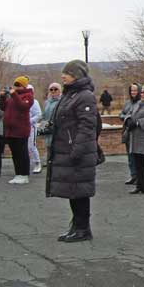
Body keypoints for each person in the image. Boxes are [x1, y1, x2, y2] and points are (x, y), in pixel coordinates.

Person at [46, 60, 98, 243]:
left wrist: (77, 149)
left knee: (80, 190)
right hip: (66, 149)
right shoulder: (69, 95)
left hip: (78, 152)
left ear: (76, 75)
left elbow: (87, 126)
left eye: (67, 73)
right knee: (73, 190)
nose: (63, 76)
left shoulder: (84, 96)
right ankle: (77, 226)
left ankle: (83, 228)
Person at [0, 76, 34, 185]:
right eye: (15, 84)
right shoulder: (12, 97)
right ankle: (18, 174)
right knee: (15, 154)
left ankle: (24, 174)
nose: (16, 87)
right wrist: (2, 97)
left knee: (22, 153)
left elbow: (23, 106)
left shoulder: (28, 95)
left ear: (24, 86)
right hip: (10, 130)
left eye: (18, 85)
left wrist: (14, 94)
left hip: (21, 130)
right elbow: (3, 107)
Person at [119, 83, 140, 185]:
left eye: (135, 90)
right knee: (130, 156)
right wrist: (126, 117)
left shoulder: (141, 103)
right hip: (127, 131)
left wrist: (132, 118)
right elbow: (121, 114)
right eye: (131, 90)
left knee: (137, 156)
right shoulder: (127, 103)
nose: (133, 92)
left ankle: (139, 176)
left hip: (137, 132)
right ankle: (133, 175)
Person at [40, 83, 62, 167]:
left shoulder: (61, 101)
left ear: (60, 91)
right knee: (48, 145)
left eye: (55, 89)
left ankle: (57, 161)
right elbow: (44, 115)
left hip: (57, 127)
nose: (53, 91)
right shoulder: (47, 102)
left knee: (56, 145)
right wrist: (42, 125)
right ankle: (49, 160)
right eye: (51, 89)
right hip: (47, 127)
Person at [26, 85, 43, 174]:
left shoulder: (34, 102)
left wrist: (29, 121)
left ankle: (37, 163)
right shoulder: (19, 100)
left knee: (31, 146)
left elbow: (39, 115)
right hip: (20, 128)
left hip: (31, 127)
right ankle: (25, 164)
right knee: (23, 147)